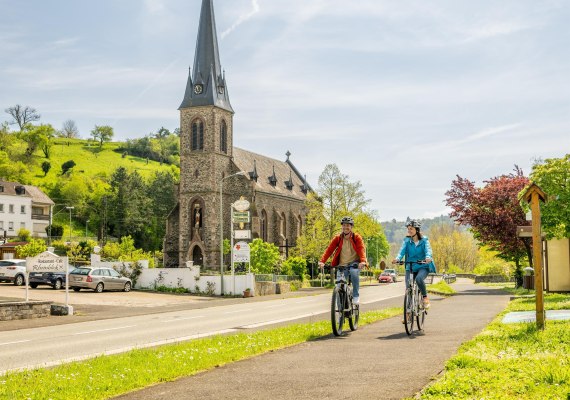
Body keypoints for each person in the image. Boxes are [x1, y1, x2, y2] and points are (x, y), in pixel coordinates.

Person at [318, 216, 367, 304]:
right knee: (339, 286)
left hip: (354, 263)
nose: (345, 227)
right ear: (342, 227)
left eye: (348, 225)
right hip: (342, 265)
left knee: (354, 272)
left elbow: (361, 249)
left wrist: (363, 261)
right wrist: (322, 261)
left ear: (351, 227)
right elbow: (329, 250)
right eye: (344, 225)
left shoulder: (356, 237)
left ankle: (356, 295)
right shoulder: (338, 238)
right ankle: (340, 311)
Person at [392, 219, 434, 310]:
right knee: (408, 287)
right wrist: (397, 258)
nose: (409, 230)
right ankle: (408, 312)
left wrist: (428, 257)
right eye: (408, 229)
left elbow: (428, 250)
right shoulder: (407, 241)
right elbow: (401, 251)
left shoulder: (424, 241)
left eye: (411, 228)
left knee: (419, 279)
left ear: (417, 230)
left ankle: (425, 297)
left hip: (423, 266)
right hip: (410, 266)